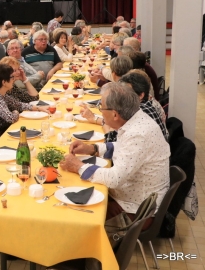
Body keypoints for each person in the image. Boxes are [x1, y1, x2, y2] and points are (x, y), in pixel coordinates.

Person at [60, 82, 169, 223]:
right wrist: (93, 149)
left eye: (101, 107)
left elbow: (114, 179)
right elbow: (123, 147)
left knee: (73, 217)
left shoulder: (138, 134)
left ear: (115, 114)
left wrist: (78, 166)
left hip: (137, 211)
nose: (100, 111)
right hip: (132, 199)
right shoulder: (136, 119)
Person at [0, 63, 40, 138]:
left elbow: (18, 104)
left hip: (6, 130)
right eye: (12, 77)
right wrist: (15, 111)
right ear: (4, 82)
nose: (14, 79)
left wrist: (38, 108)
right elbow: (11, 118)